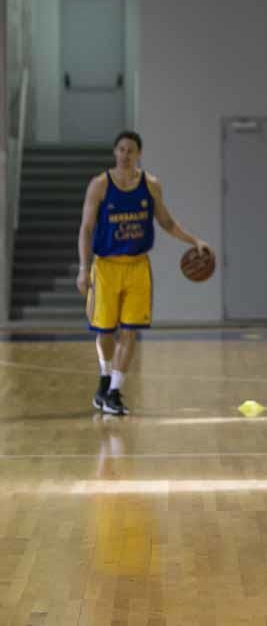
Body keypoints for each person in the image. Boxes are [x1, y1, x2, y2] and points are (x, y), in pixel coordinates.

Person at [76, 131, 210, 415]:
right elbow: (86, 229)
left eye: (131, 151)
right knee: (104, 330)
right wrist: (83, 268)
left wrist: (194, 241)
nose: (125, 155)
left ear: (139, 154)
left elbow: (167, 222)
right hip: (106, 267)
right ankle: (104, 378)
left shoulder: (151, 185)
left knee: (130, 330)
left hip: (137, 266)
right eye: (121, 150)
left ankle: (114, 391)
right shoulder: (100, 185)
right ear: (115, 152)